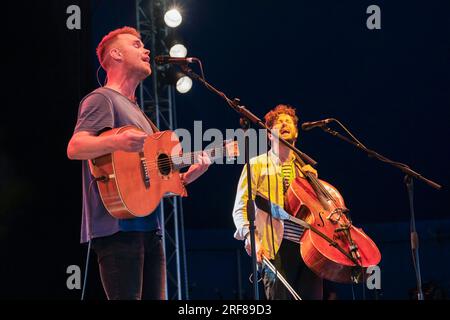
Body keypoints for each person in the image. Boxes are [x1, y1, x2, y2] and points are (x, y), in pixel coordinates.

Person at [67, 26, 211, 300]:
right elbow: (75, 147)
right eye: (136, 45)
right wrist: (116, 142)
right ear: (116, 54)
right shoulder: (102, 99)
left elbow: (152, 180)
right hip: (117, 228)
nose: (146, 50)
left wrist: (187, 177)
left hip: (150, 230)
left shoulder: (143, 116)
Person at [232, 104, 323, 300]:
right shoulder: (256, 165)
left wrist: (316, 190)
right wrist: (252, 239)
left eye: (288, 121)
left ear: (296, 133)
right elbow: (240, 208)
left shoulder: (306, 171)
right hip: (274, 248)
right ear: (268, 134)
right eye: (277, 122)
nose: (283, 124)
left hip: (309, 249)